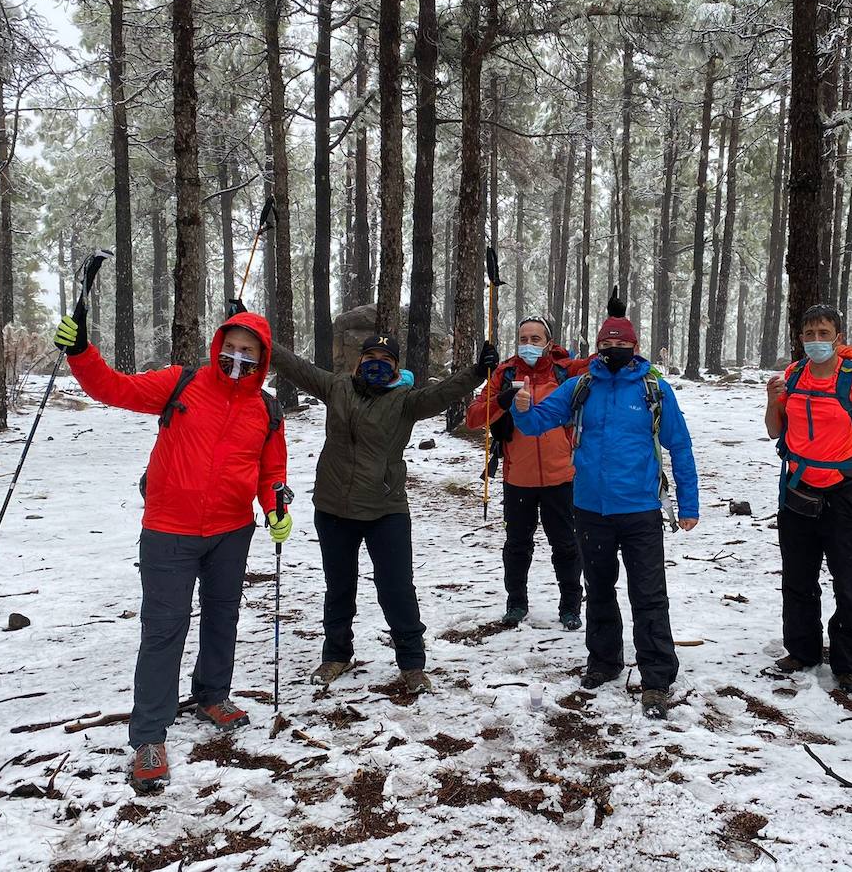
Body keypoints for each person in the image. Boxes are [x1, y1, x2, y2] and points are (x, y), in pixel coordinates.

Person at [53, 305, 292, 794]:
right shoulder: (182, 384)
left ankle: (212, 695)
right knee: (164, 629)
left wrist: (274, 507)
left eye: (248, 351)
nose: (237, 358)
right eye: (231, 347)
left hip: (231, 531)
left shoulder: (267, 410)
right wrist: (81, 352)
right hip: (169, 530)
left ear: (263, 357)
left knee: (223, 616)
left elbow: (271, 472)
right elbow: (113, 388)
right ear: (218, 345)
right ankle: (148, 735)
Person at [264, 327, 497, 693]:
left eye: (385, 360)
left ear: (395, 367)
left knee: (396, 589)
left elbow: (444, 392)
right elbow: (295, 366)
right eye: (370, 358)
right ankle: (336, 654)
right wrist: (258, 334)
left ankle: (412, 664)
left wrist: (478, 371)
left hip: (385, 509)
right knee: (339, 587)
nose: (377, 364)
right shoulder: (336, 386)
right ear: (360, 361)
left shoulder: (407, 401)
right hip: (333, 507)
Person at [510, 294, 698, 720]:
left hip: (640, 509)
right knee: (598, 589)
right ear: (597, 347)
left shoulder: (653, 389)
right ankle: (604, 661)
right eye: (606, 345)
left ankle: (656, 677)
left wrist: (688, 502)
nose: (614, 351)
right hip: (590, 508)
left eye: (621, 345)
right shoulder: (581, 387)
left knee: (648, 594)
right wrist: (522, 410)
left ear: (635, 347)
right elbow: (538, 423)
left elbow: (680, 446)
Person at [764, 305, 852, 693]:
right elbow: (774, 431)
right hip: (797, 488)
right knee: (798, 577)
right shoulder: (792, 376)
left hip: (843, 492)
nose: (816, 340)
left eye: (823, 333)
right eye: (809, 333)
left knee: (849, 580)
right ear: (801, 338)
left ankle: (848, 662)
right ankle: (802, 650)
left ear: (838, 338)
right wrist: (772, 400)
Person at [466, 317, 587, 629]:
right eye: (523, 338)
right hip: (518, 477)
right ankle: (516, 603)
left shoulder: (565, 370)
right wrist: (502, 400)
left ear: (548, 342)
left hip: (561, 476)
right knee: (517, 545)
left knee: (566, 544)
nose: (528, 344)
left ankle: (571, 605)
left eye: (535, 339)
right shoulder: (505, 373)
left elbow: (600, 366)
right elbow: (473, 417)